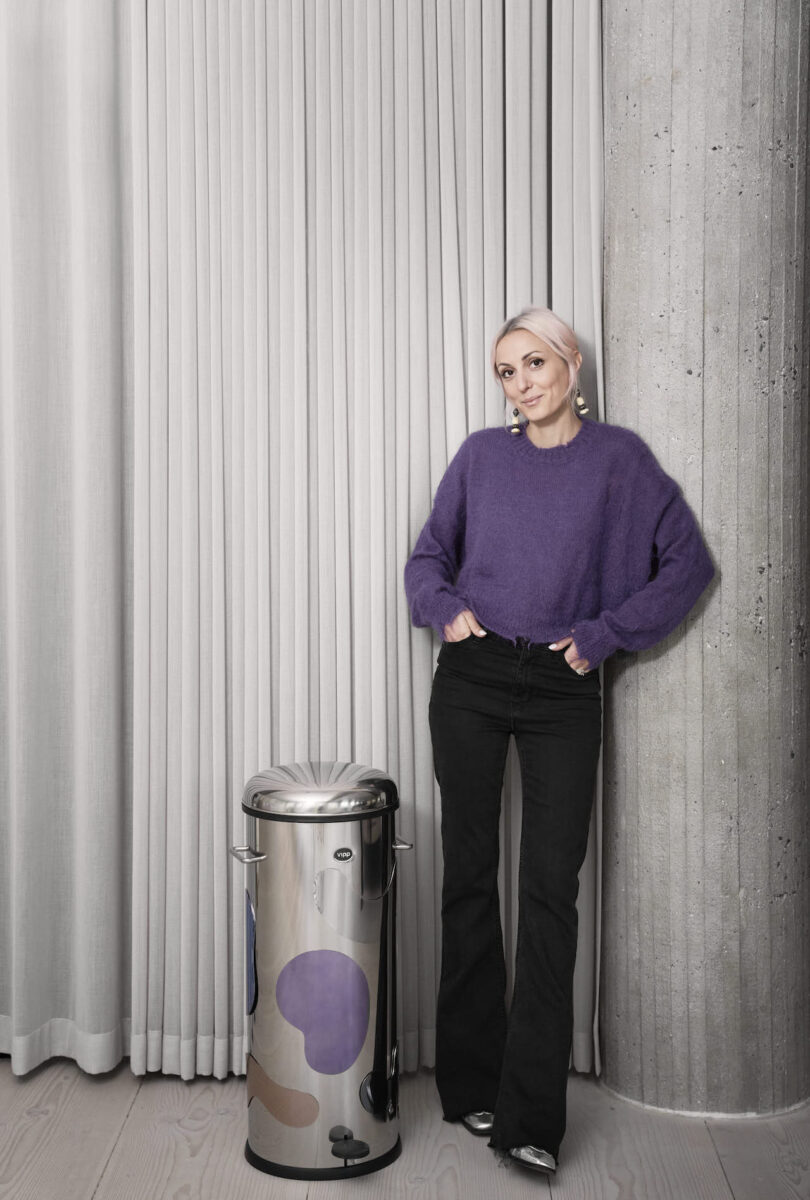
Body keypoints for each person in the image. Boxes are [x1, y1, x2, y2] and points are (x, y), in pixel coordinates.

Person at [403, 306, 714, 1176]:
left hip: (561, 689)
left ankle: (530, 1115)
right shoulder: (479, 457)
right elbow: (427, 558)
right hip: (470, 678)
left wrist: (608, 632)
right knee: (467, 876)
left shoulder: (620, 461)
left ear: (571, 364)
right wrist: (446, 613)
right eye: (507, 370)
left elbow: (687, 563)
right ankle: (468, 1085)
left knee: (548, 891)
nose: (522, 383)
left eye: (535, 363)